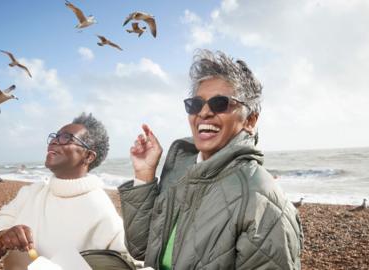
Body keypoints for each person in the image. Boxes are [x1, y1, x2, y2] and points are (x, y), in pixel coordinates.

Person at [119, 49, 303, 269]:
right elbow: (142, 250)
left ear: (250, 120)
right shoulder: (180, 174)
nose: (204, 112)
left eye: (220, 103)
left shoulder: (261, 200)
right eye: (195, 105)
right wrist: (144, 175)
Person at [0, 113, 127, 269]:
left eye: (66, 138)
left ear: (88, 156)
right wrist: (2, 238)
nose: (54, 141)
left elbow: (127, 262)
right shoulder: (31, 193)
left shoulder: (102, 211)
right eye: (55, 136)